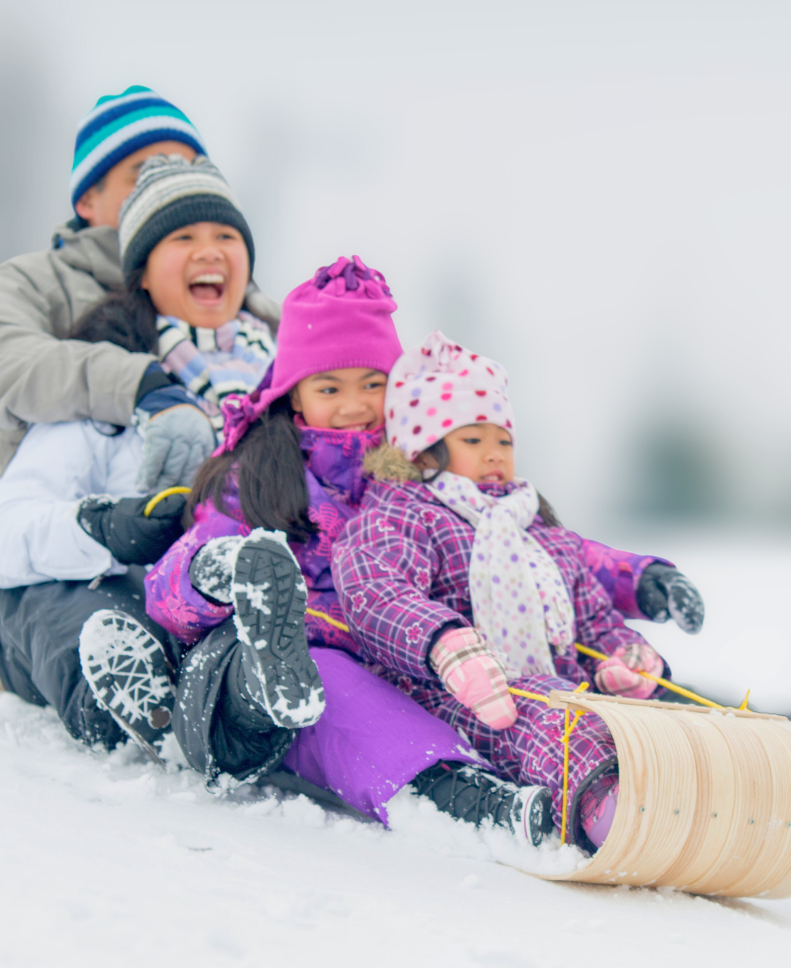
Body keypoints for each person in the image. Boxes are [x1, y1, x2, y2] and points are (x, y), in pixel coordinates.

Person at [143, 257, 551, 839]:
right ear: (295, 396)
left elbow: (523, 545)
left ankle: (574, 772)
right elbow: (165, 590)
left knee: (467, 686)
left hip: (403, 653)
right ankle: (456, 795)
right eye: (330, 387)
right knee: (330, 681)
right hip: (276, 666)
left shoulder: (422, 476)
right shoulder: (260, 473)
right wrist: (215, 573)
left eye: (373, 384)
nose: (355, 403)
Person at [0, 86, 273, 675]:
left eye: (189, 167)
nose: (170, 179)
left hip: (201, 574)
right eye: (146, 169)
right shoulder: (37, 283)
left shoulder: (247, 321)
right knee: (104, 627)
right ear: (88, 197)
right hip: (46, 575)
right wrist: (139, 382)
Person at [332, 334, 658, 849]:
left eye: (503, 441)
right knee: (560, 724)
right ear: (423, 452)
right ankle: (613, 813)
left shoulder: (539, 532)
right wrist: (445, 644)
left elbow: (592, 618)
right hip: (451, 696)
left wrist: (623, 657)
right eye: (473, 440)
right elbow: (377, 591)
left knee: (633, 720)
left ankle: (694, 793)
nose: (494, 455)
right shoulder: (401, 516)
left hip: (559, 688)